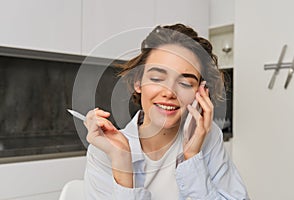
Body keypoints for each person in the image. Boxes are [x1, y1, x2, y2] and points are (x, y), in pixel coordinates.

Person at [84, 23, 249, 200]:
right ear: (138, 82)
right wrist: (123, 167)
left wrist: (192, 157)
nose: (169, 92)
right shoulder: (105, 150)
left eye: (185, 83)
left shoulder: (207, 138)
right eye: (157, 78)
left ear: (200, 92)